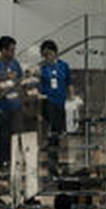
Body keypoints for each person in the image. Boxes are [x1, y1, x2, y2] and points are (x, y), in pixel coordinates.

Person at [0, 35, 23, 173]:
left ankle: (16, 162)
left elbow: (20, 81)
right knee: (4, 137)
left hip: (16, 107)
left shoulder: (15, 64)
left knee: (16, 136)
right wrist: (4, 78)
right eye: (11, 50)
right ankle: (3, 163)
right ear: (3, 50)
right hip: (2, 108)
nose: (13, 53)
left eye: (14, 50)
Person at [39, 39, 71, 175]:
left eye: (49, 54)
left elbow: (68, 83)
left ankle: (58, 160)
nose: (47, 57)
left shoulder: (63, 66)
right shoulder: (42, 68)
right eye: (44, 55)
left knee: (59, 132)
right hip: (49, 102)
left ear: (55, 53)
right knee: (53, 132)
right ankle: (52, 162)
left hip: (61, 102)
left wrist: (72, 98)